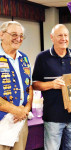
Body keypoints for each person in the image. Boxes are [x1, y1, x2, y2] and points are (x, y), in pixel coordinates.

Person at [32, 24, 71, 150]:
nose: (63, 38)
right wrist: (52, 84)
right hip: (53, 117)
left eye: (66, 35)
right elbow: (35, 85)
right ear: (52, 37)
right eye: (59, 35)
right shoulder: (42, 57)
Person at [0, 21, 33, 150]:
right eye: (14, 34)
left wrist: (25, 109)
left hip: (20, 121)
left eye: (21, 36)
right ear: (1, 35)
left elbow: (29, 87)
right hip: (2, 120)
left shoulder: (24, 59)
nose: (18, 39)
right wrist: (16, 111)